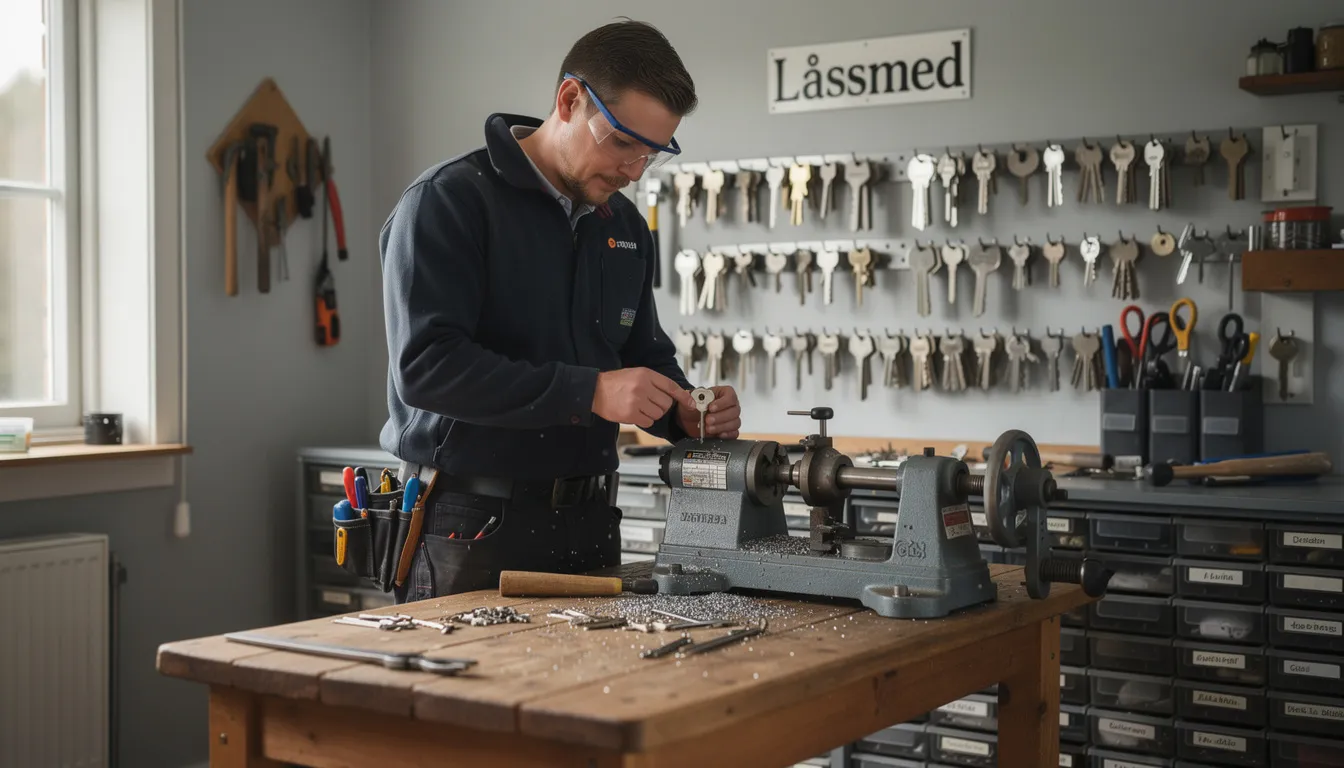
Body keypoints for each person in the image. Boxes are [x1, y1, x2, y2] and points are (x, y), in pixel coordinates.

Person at [378, 19, 740, 602]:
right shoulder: (449, 202)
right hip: (472, 523)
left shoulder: (622, 225)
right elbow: (426, 369)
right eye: (622, 142)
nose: (633, 171)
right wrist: (590, 393)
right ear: (569, 99)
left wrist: (686, 413)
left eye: (652, 154)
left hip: (591, 520)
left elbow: (639, 354)